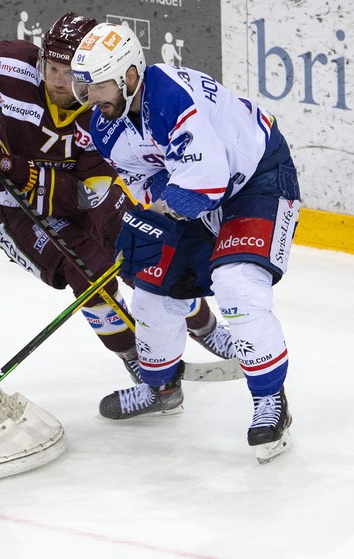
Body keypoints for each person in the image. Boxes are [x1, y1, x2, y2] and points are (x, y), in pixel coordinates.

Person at [0, 13, 235, 387]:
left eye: (70, 72)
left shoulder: (106, 108)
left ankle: (204, 327)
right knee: (89, 274)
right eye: (51, 67)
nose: (57, 81)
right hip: (18, 211)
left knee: (145, 255)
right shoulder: (13, 69)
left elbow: (89, 194)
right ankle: (135, 360)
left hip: (88, 195)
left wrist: (29, 175)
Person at [70, 23, 299, 462]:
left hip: (258, 181)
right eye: (86, 88)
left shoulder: (171, 97)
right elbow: (149, 179)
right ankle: (161, 388)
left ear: (130, 77)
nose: (91, 99)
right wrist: (150, 218)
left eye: (98, 86)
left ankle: (271, 401)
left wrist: (152, 217)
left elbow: (207, 182)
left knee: (237, 288)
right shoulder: (106, 125)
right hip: (191, 191)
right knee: (153, 289)